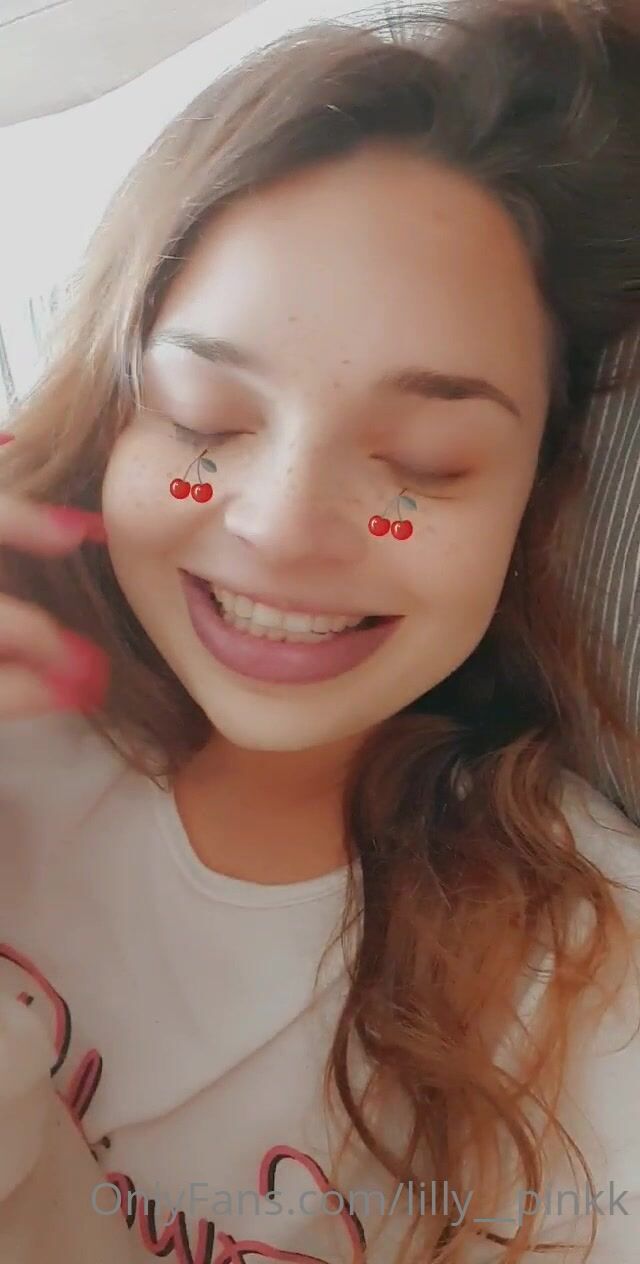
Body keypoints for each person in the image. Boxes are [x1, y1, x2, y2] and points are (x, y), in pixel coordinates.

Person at [0, 1, 639, 1260]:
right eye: (204, 418)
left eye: (425, 460)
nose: (284, 527)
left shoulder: (588, 973)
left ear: (536, 496)